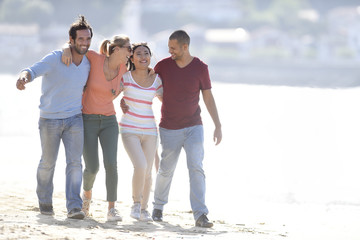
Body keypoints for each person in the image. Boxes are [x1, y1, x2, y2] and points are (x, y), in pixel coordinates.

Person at [15, 15, 93, 219]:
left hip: (75, 118)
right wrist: (24, 78)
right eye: (81, 39)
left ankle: (74, 206)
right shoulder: (55, 58)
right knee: (48, 162)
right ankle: (44, 200)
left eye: (87, 39)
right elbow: (31, 70)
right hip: (49, 118)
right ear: (71, 39)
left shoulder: (88, 61)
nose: (84, 43)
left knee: (75, 163)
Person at [151, 30, 222, 228]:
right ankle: (157, 208)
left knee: (196, 168)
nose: (169, 51)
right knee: (166, 170)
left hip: (194, 126)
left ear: (185, 47)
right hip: (169, 127)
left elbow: (208, 97)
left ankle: (200, 215)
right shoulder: (163, 66)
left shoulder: (200, 68)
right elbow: (147, 85)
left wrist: (218, 124)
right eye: (168, 48)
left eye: (173, 48)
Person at [62, 35, 132, 221]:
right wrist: (66, 49)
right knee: (92, 167)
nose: (130, 53)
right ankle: (87, 197)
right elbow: (75, 50)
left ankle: (111, 209)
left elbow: (129, 89)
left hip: (109, 121)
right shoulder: (94, 58)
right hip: (88, 119)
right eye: (128, 48)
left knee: (112, 164)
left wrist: (125, 100)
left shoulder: (125, 70)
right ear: (116, 49)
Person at [119, 42, 163, 222]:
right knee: (141, 165)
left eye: (146, 53)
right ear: (132, 57)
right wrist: (120, 102)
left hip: (151, 131)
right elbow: (110, 94)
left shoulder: (157, 79)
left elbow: (168, 101)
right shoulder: (126, 77)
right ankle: (136, 203)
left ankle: (144, 209)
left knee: (148, 172)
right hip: (129, 129)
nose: (143, 56)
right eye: (138, 53)